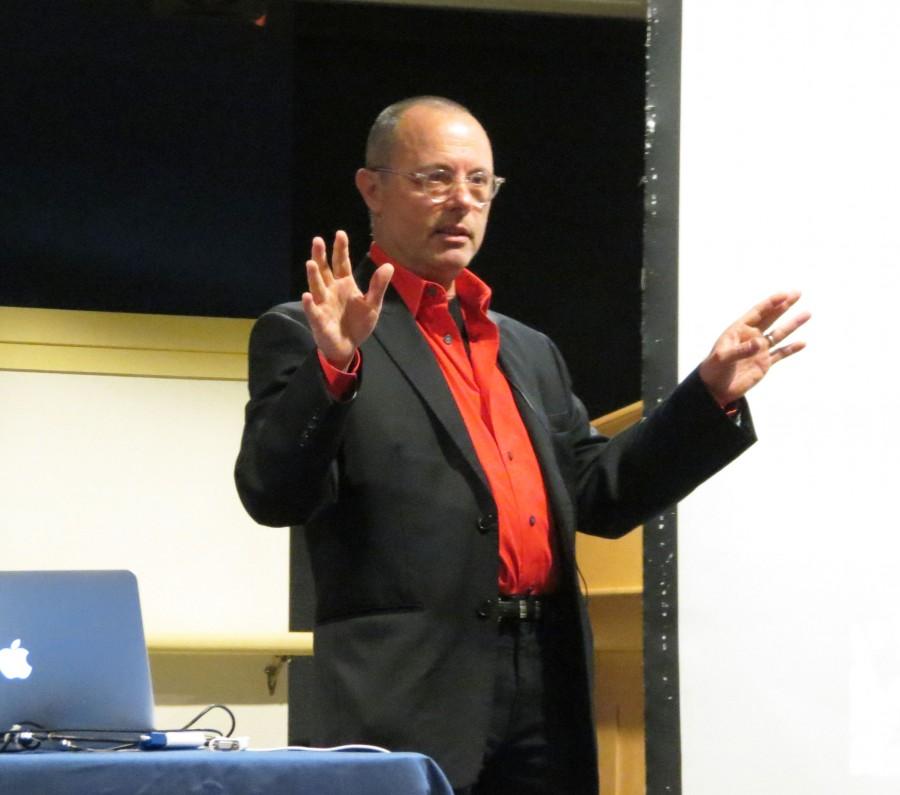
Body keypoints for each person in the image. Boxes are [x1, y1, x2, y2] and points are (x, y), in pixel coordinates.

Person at [235, 96, 809, 794]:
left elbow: (600, 493)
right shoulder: (310, 331)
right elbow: (273, 492)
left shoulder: (526, 349)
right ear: (372, 188)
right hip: (406, 695)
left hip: (546, 681)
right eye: (434, 178)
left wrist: (708, 394)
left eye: (480, 182)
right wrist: (333, 371)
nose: (461, 200)